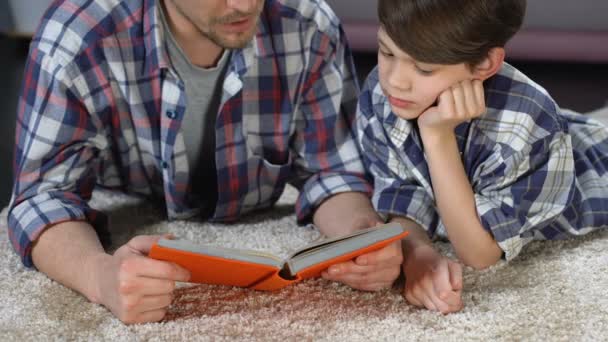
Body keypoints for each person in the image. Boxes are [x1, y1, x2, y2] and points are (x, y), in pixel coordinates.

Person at [8, 0, 404, 324]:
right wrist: (99, 275)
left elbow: (333, 172)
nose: (244, 4)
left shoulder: (310, 25)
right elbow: (43, 198)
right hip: (126, 204)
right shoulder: (77, 38)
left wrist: (360, 239)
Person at [356, 0, 608, 314]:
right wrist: (418, 252)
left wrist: (438, 137)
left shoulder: (528, 120)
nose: (394, 79)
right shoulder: (382, 96)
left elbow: (478, 254)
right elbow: (401, 191)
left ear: (484, 64)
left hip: (593, 169)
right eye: (386, 51)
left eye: (423, 68)